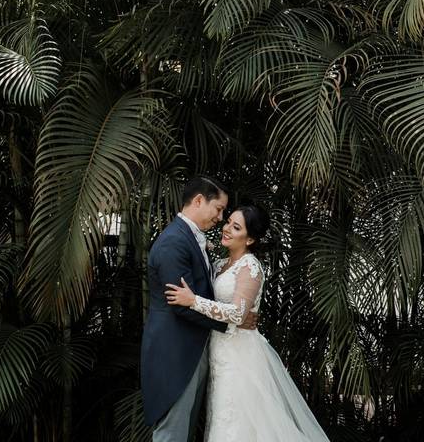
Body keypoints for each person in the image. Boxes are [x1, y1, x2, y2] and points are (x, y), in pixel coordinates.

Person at [165, 204, 330, 442]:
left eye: (236, 227)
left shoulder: (250, 267)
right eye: (228, 222)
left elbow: (238, 314)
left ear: (250, 238)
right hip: (219, 351)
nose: (227, 229)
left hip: (239, 355)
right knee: (221, 414)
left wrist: (193, 301)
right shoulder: (221, 265)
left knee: (236, 419)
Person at [141, 176, 259, 442]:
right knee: (172, 434)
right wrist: (233, 322)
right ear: (198, 201)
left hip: (194, 351)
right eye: (219, 209)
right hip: (175, 354)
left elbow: (198, 296)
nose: (221, 218)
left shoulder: (193, 239)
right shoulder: (174, 242)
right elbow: (180, 304)